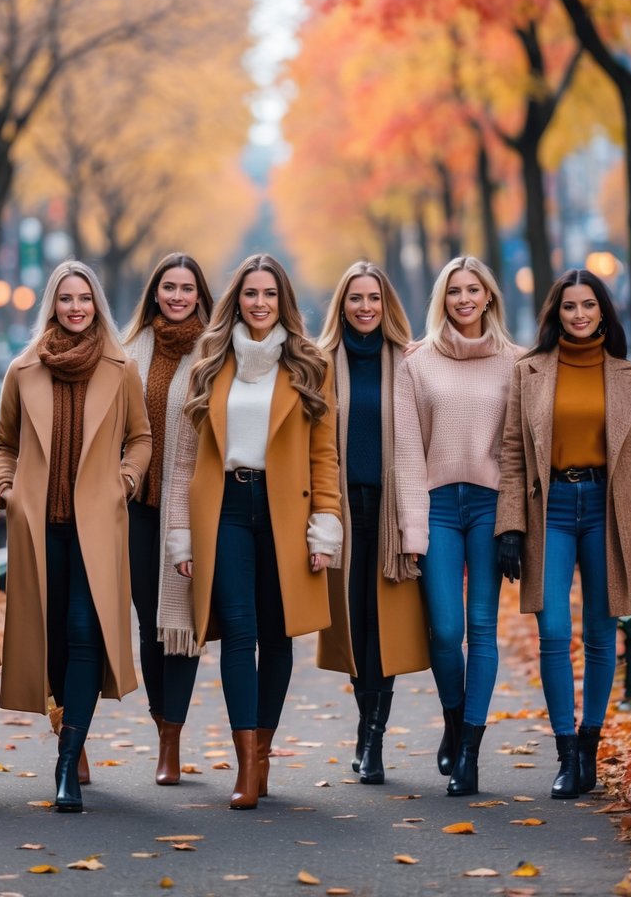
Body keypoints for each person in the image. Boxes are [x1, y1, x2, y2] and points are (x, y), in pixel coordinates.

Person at [168, 253, 342, 810]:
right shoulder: (210, 361)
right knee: (239, 632)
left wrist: (325, 527)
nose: (259, 303)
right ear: (236, 301)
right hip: (225, 506)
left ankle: (263, 755)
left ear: (282, 300)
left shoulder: (310, 365)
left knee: (278, 633)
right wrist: (181, 535)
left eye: (269, 294)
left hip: (286, 510)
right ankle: (245, 767)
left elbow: (324, 456)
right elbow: (185, 458)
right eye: (250, 294)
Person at [495, 269, 631, 799]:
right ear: (556, 313)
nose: (580, 314)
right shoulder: (531, 371)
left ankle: (591, 747)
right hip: (553, 509)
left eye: (589, 305)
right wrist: (510, 527)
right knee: (552, 633)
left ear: (603, 313)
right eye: (569, 306)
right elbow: (515, 454)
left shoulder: (628, 376)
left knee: (599, 632)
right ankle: (565, 754)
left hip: (607, 510)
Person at [0, 260, 151, 813]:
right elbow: (2, 442)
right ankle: (69, 732)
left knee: (86, 632)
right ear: (53, 305)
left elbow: (141, 437)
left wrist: (125, 482)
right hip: (40, 528)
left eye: (84, 298)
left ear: (96, 304)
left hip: (97, 528)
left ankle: (67, 766)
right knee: (54, 641)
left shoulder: (121, 366)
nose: (76, 307)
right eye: (66, 299)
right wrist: (6, 489)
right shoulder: (23, 369)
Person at [395, 255, 521, 797]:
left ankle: (469, 748)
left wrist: (515, 523)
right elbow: (406, 450)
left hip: (491, 506)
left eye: (473, 290)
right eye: (454, 291)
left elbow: (518, 452)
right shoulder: (416, 362)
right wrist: (412, 526)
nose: (464, 299)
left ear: (489, 297)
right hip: (439, 505)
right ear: (441, 299)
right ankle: (453, 720)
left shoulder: (518, 363)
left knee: (482, 628)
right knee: (445, 630)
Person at [316, 261, 429, 785]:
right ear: (342, 305)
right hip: (343, 512)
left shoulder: (407, 363)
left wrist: (414, 523)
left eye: (374, 298)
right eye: (355, 298)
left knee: (384, 630)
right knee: (356, 630)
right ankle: (365, 728)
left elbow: (421, 443)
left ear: (387, 306)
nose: (365, 307)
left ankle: (374, 740)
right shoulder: (321, 364)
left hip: (389, 513)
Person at [122, 252, 213, 785]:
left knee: (183, 623)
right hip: (137, 507)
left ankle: (172, 739)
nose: (177, 296)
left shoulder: (214, 352)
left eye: (187, 288)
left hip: (192, 507)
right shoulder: (130, 352)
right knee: (149, 622)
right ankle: (161, 724)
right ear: (154, 292)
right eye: (168, 287)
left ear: (200, 294)